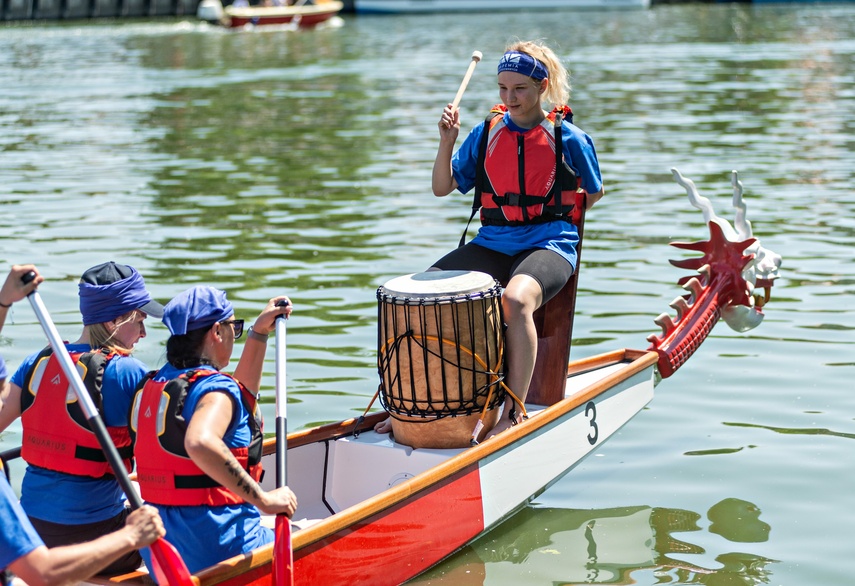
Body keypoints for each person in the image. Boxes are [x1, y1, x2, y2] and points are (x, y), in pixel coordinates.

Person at [377, 40, 605, 437]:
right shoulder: (486, 134)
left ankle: (513, 409)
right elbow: (442, 187)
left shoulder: (568, 137)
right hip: (493, 241)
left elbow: (594, 192)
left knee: (515, 300)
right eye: (503, 88)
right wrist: (447, 140)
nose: (510, 97)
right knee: (417, 298)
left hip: (550, 244)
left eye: (519, 89)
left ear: (542, 87)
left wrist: (550, 205)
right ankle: (411, 407)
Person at [0, 264, 165, 586]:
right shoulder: (128, 372)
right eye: (140, 320)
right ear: (114, 321)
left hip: (33, 531)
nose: (143, 334)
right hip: (96, 535)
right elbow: (169, 446)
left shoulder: (38, 362)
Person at [131, 285, 297, 576]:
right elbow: (200, 441)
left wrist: (259, 334)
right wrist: (264, 499)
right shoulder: (215, 390)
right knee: (316, 532)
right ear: (217, 332)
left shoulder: (157, 383)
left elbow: (239, 396)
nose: (236, 333)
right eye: (235, 326)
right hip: (220, 547)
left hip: (162, 551)